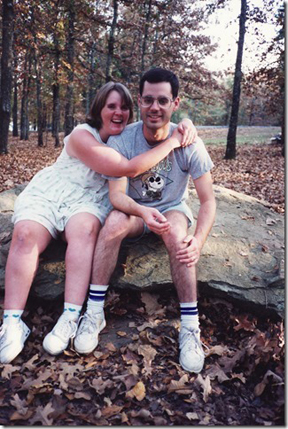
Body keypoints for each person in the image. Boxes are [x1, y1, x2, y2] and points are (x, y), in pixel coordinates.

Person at [0, 81, 197, 364]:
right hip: (54, 194)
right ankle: (12, 323)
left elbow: (165, 122)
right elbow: (127, 168)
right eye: (111, 106)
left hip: (89, 202)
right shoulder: (82, 135)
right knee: (25, 235)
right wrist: (174, 141)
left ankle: (70, 316)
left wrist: (185, 124)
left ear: (132, 110)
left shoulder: (128, 139)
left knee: (86, 230)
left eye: (124, 107)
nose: (118, 113)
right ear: (99, 109)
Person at [73, 68, 216, 374]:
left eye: (162, 100)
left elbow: (208, 200)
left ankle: (190, 327)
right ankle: (94, 312)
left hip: (172, 208)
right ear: (139, 100)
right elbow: (117, 196)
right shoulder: (123, 139)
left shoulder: (190, 142)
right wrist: (140, 212)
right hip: (136, 211)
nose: (155, 107)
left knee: (180, 238)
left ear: (175, 103)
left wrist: (199, 241)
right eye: (148, 99)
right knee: (112, 223)